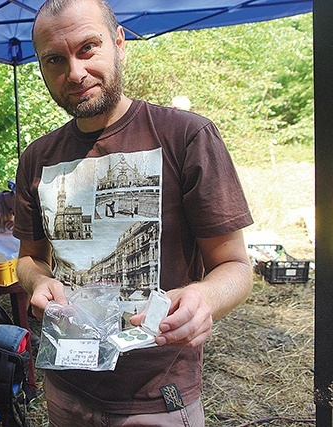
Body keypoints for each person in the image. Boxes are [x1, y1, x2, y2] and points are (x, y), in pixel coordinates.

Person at [13, 0, 254, 425]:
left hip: (156, 395)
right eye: (55, 59)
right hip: (66, 383)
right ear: (41, 66)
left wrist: (205, 298)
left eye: (88, 48)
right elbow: (29, 258)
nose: (74, 72)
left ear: (119, 42)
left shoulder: (185, 136)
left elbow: (235, 266)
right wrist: (38, 279)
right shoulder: (38, 157)